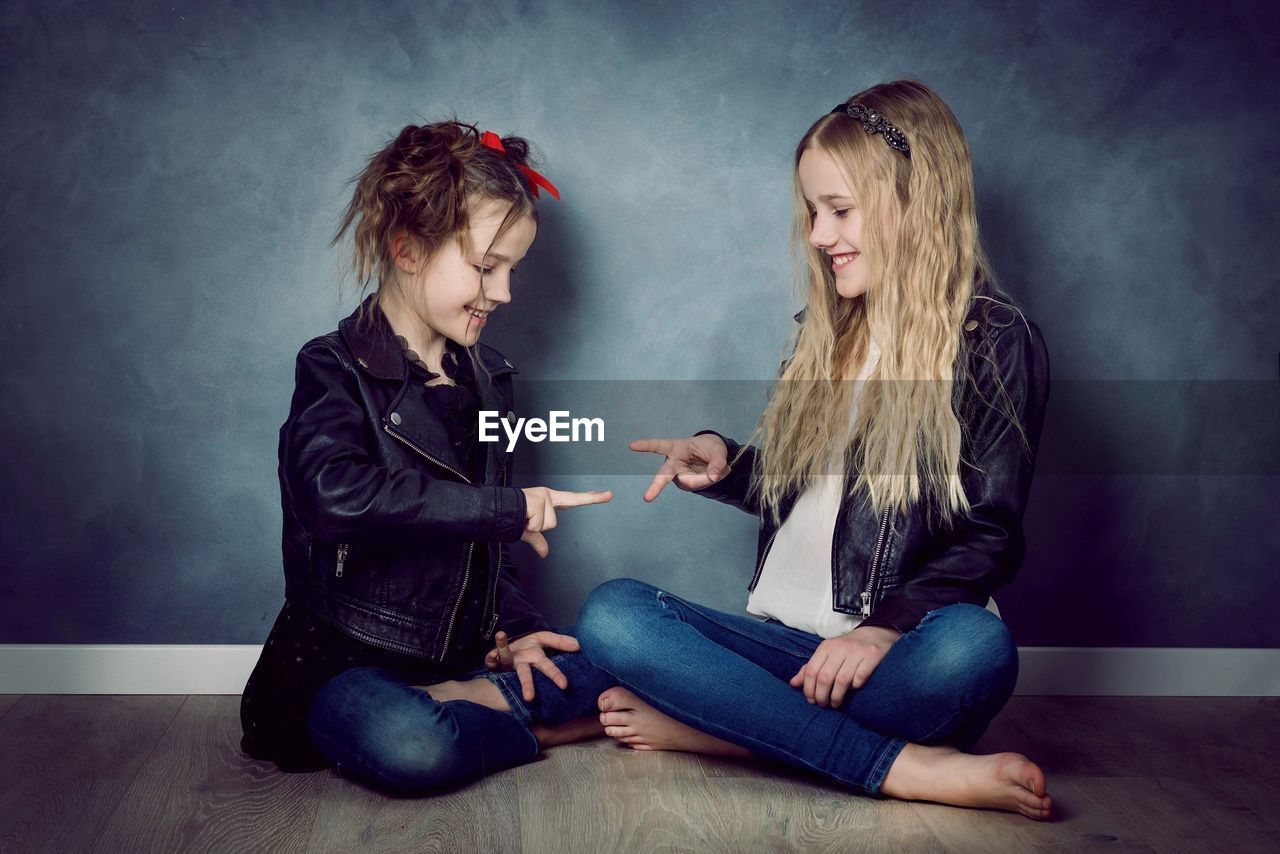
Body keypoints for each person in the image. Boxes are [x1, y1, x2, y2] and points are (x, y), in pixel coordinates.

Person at [575, 80, 1054, 820]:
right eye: (812, 214)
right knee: (613, 615)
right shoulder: (827, 333)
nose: (820, 236)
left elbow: (990, 533)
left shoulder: (991, 342)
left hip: (896, 656)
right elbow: (822, 497)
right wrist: (731, 468)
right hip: (782, 650)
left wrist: (880, 630)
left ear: (916, 200)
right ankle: (896, 766)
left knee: (976, 649)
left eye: (839, 210)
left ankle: (734, 732)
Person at [240, 120, 615, 793]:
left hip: (466, 653)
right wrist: (507, 509)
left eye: (511, 271)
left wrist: (519, 630)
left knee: (624, 666)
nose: (503, 293)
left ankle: (471, 697)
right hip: (349, 664)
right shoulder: (331, 368)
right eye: (485, 266)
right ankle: (519, 722)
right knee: (413, 747)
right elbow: (334, 497)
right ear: (407, 249)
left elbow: (487, 548)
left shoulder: (488, 379)